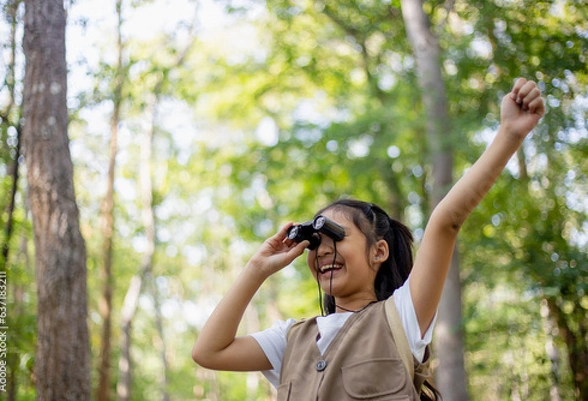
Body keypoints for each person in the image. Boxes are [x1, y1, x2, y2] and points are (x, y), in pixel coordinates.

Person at [192, 78, 545, 400]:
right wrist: (257, 268)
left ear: (378, 252)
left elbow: (445, 223)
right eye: (315, 242)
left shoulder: (402, 318)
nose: (324, 250)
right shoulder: (291, 340)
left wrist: (509, 134)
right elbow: (208, 352)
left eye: (336, 237)